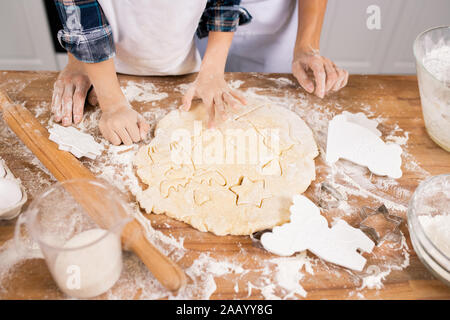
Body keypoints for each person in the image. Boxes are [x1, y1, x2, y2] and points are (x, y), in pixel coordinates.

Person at [52, 0, 251, 145]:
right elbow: (83, 20)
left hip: (179, 62)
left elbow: (223, 4)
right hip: (103, 69)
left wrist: (212, 71)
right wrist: (113, 104)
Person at [197, 0, 348, 99]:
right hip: (203, 23)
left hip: (273, 25)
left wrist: (307, 47)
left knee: (276, 95)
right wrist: (212, 67)